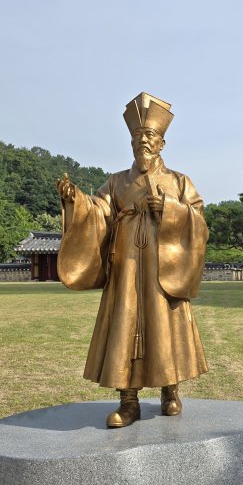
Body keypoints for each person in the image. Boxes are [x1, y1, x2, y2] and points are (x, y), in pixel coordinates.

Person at [56, 92, 208, 428]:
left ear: (162, 143)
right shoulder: (117, 181)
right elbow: (99, 212)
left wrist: (170, 209)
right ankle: (128, 401)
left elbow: (199, 221)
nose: (143, 142)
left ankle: (171, 390)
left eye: (149, 136)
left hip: (162, 268)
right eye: (137, 137)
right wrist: (76, 201)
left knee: (165, 324)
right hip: (125, 265)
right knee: (125, 324)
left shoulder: (179, 181)